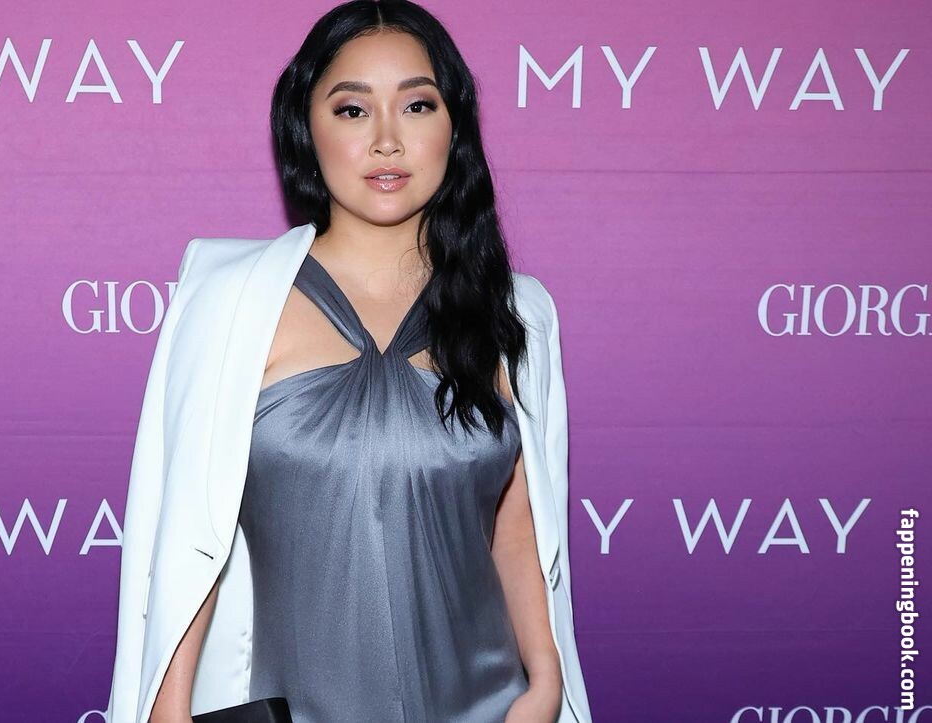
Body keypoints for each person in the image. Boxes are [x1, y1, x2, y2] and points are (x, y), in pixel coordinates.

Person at [109, 1, 592, 722]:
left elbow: (519, 524)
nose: (387, 141)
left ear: (454, 127)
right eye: (353, 110)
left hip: (490, 705)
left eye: (417, 105)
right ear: (306, 128)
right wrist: (167, 710)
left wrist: (544, 681)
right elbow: (185, 536)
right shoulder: (229, 303)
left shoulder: (516, 312)